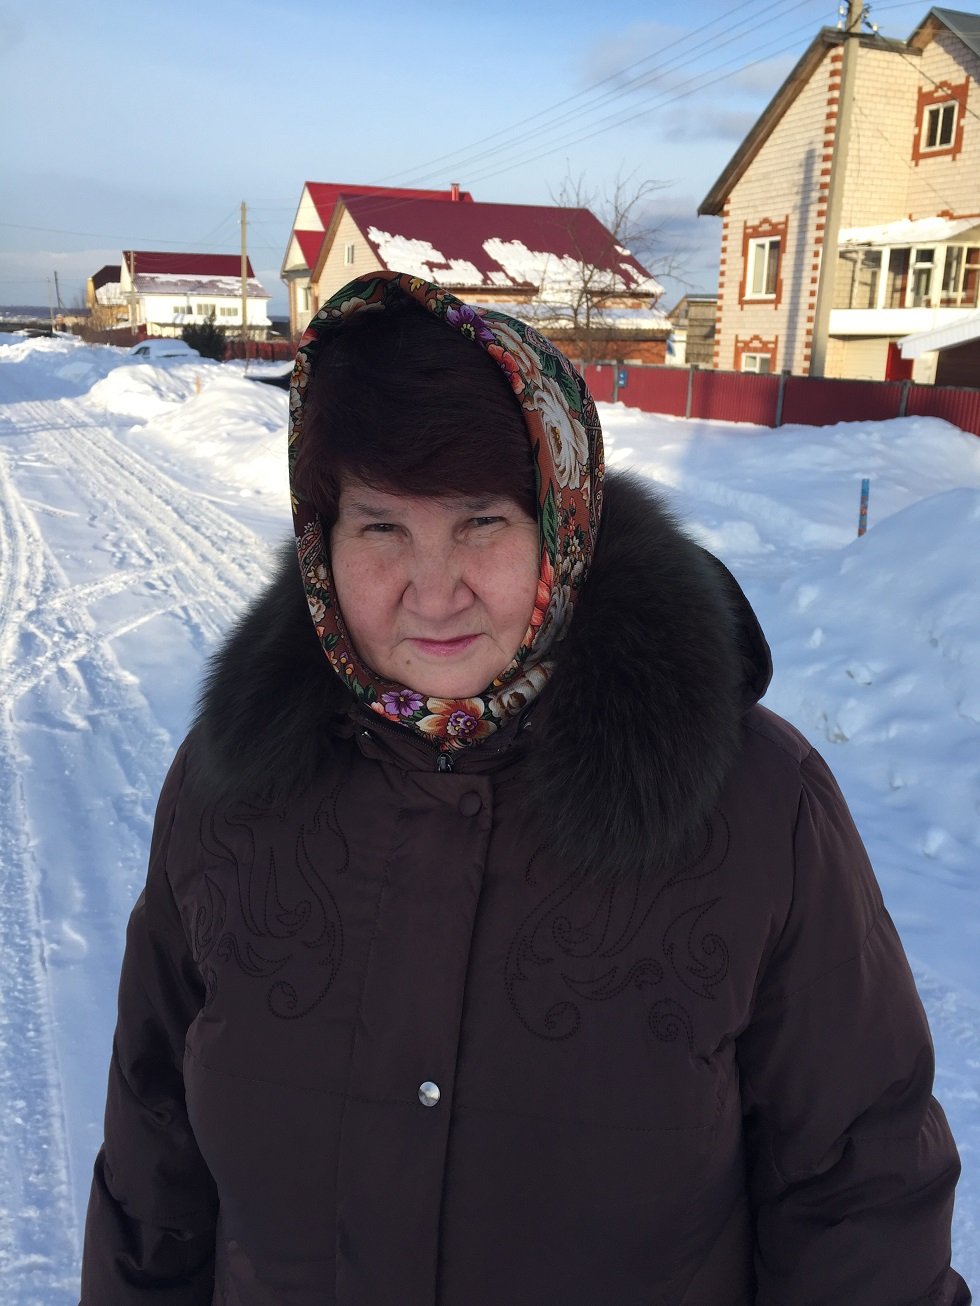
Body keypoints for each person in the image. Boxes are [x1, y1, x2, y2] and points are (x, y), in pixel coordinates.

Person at [81, 271, 970, 1305]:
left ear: (562, 521)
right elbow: (153, 1155)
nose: (433, 591)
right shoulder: (228, 786)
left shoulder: (756, 809)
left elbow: (858, 1199)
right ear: (321, 538)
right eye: (380, 527)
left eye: (481, 522)